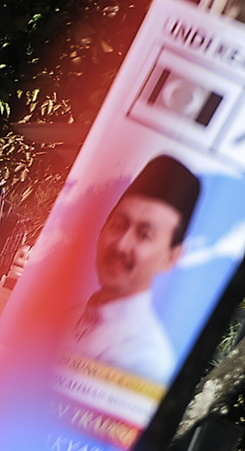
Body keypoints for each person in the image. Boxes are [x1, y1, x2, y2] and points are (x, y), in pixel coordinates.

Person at [70, 154, 201, 382]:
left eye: (144, 235)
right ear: (103, 228)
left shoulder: (147, 359)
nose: (121, 245)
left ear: (170, 257)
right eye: (119, 225)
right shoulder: (65, 315)